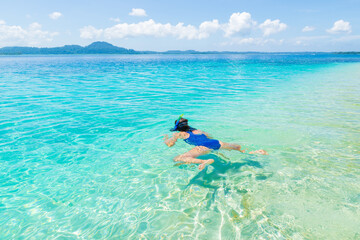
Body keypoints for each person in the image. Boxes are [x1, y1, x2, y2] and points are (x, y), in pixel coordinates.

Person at [163, 115, 268, 170]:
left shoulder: (179, 134)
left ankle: (203, 161)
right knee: (237, 148)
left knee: (178, 158)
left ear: (177, 128)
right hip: (217, 142)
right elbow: (209, 136)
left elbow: (170, 144)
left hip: (203, 147)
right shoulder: (198, 131)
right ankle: (256, 152)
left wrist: (166, 138)